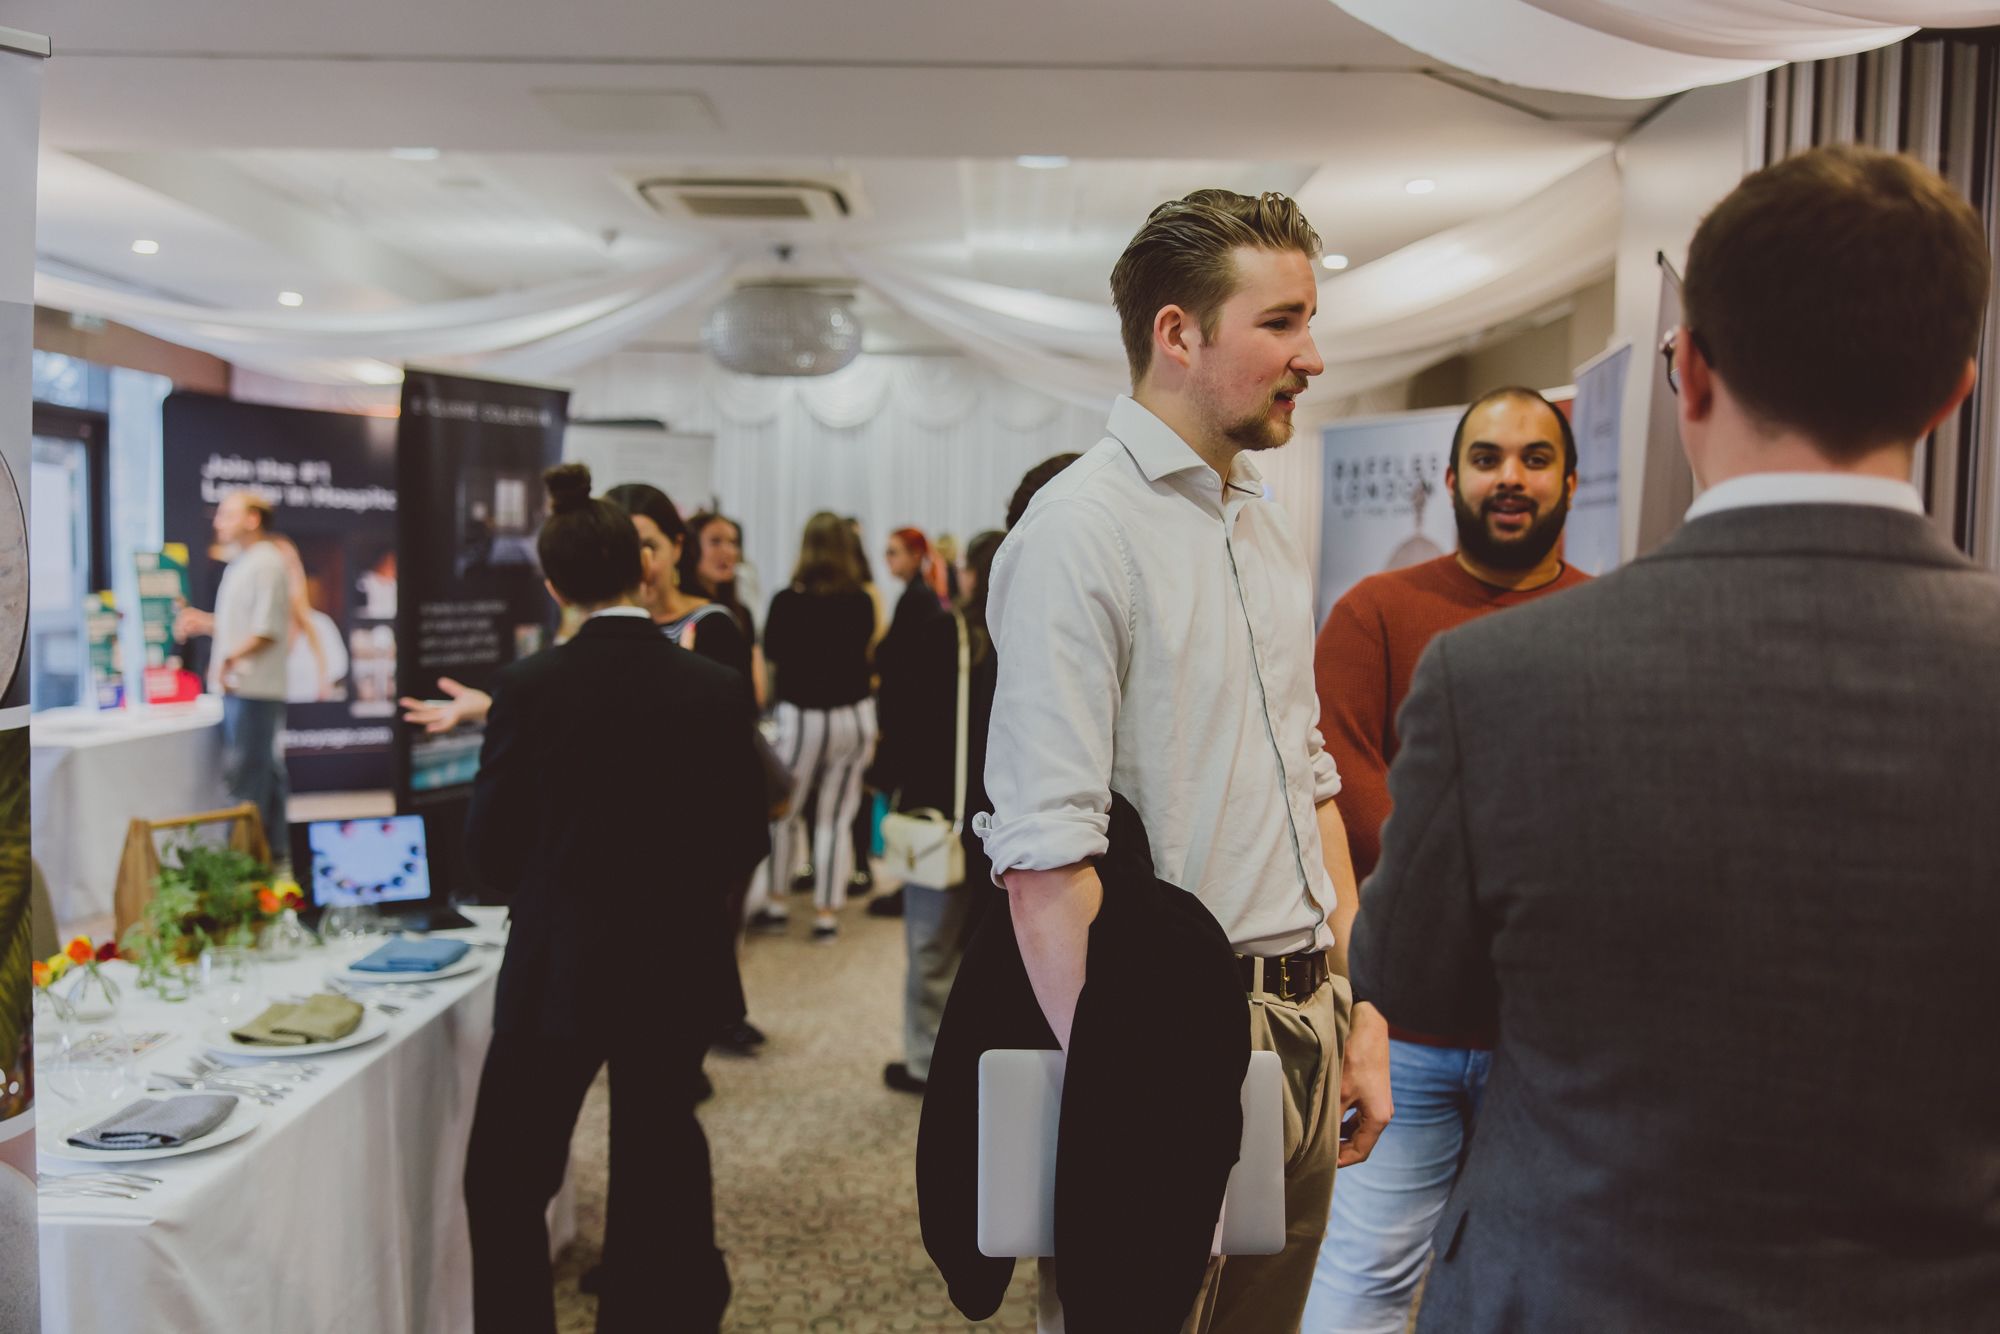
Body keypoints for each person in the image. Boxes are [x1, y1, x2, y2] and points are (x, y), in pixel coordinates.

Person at [1351, 144, 2000, 1332]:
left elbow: (1409, 984)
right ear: (1953, 389)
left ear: (1687, 371)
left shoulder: (1497, 679)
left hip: (1574, 1294)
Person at [980, 189, 1391, 1333]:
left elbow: (1307, 781)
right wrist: (1137, 1110)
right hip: (1172, 1047)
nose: (1310, 355)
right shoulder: (1077, 531)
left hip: (1300, 1021)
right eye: (1281, 322)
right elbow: (1042, 858)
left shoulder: (1255, 516)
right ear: (1178, 334)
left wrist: (1354, 1008)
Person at [1303, 386, 1589, 1332]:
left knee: (1536, 1284)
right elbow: (1340, 789)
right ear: (1452, 478)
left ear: (1570, 481)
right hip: (1402, 1029)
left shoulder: (1601, 623)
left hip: (1547, 1037)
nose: (1511, 476)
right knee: (1363, 1281)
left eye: (1535, 458)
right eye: (1489, 457)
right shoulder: (1374, 614)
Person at [461, 463, 768, 1334]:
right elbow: (745, 838)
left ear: (553, 582)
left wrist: (553, 885)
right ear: (645, 570)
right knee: (657, 1170)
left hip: (556, 963)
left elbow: (489, 852)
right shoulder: (710, 687)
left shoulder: (527, 688)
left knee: (506, 1182)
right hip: (673, 965)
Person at [873, 526, 998, 1093]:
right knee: (988, 947)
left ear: (972, 573)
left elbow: (906, 717)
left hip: (944, 810)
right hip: (1006, 816)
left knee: (931, 944)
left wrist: (891, 784)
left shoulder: (948, 634)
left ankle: (926, 1061)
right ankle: (980, 1060)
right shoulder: (1026, 636)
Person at [762, 511, 878, 941]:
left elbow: (773, 653)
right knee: (835, 816)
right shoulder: (862, 601)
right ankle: (826, 912)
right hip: (853, 716)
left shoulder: (785, 601)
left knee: (784, 814)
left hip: (802, 716)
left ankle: (776, 902)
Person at [174, 490, 293, 852]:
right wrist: (205, 622)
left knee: (245, 784)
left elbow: (266, 630)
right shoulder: (244, 562)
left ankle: (240, 872)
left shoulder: (267, 563)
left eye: (227, 514)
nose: (218, 522)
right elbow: (241, 626)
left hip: (252, 689)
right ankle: (276, 863)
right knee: (265, 779)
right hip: (241, 688)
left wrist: (227, 660)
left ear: (253, 519)